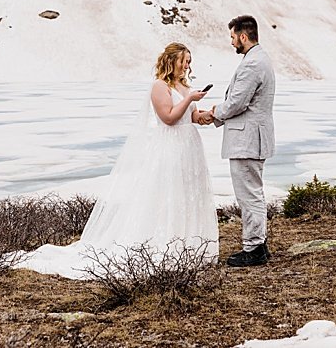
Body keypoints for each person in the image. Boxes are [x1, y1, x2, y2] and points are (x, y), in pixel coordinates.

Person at [14, 43, 216, 279]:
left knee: (188, 193)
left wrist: (205, 116)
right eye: (184, 60)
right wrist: (190, 97)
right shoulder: (159, 87)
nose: (187, 66)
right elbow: (169, 118)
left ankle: (188, 244)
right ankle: (166, 242)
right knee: (168, 193)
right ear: (170, 61)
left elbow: (190, 115)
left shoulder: (183, 86)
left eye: (189, 61)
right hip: (170, 147)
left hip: (189, 147)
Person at [194, 14, 276, 267]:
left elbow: (238, 103)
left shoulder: (253, 64)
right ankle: (257, 243)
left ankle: (254, 248)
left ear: (243, 36)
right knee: (252, 192)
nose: (231, 43)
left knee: (248, 194)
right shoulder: (258, 59)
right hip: (251, 137)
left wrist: (212, 114)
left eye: (232, 37)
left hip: (247, 139)